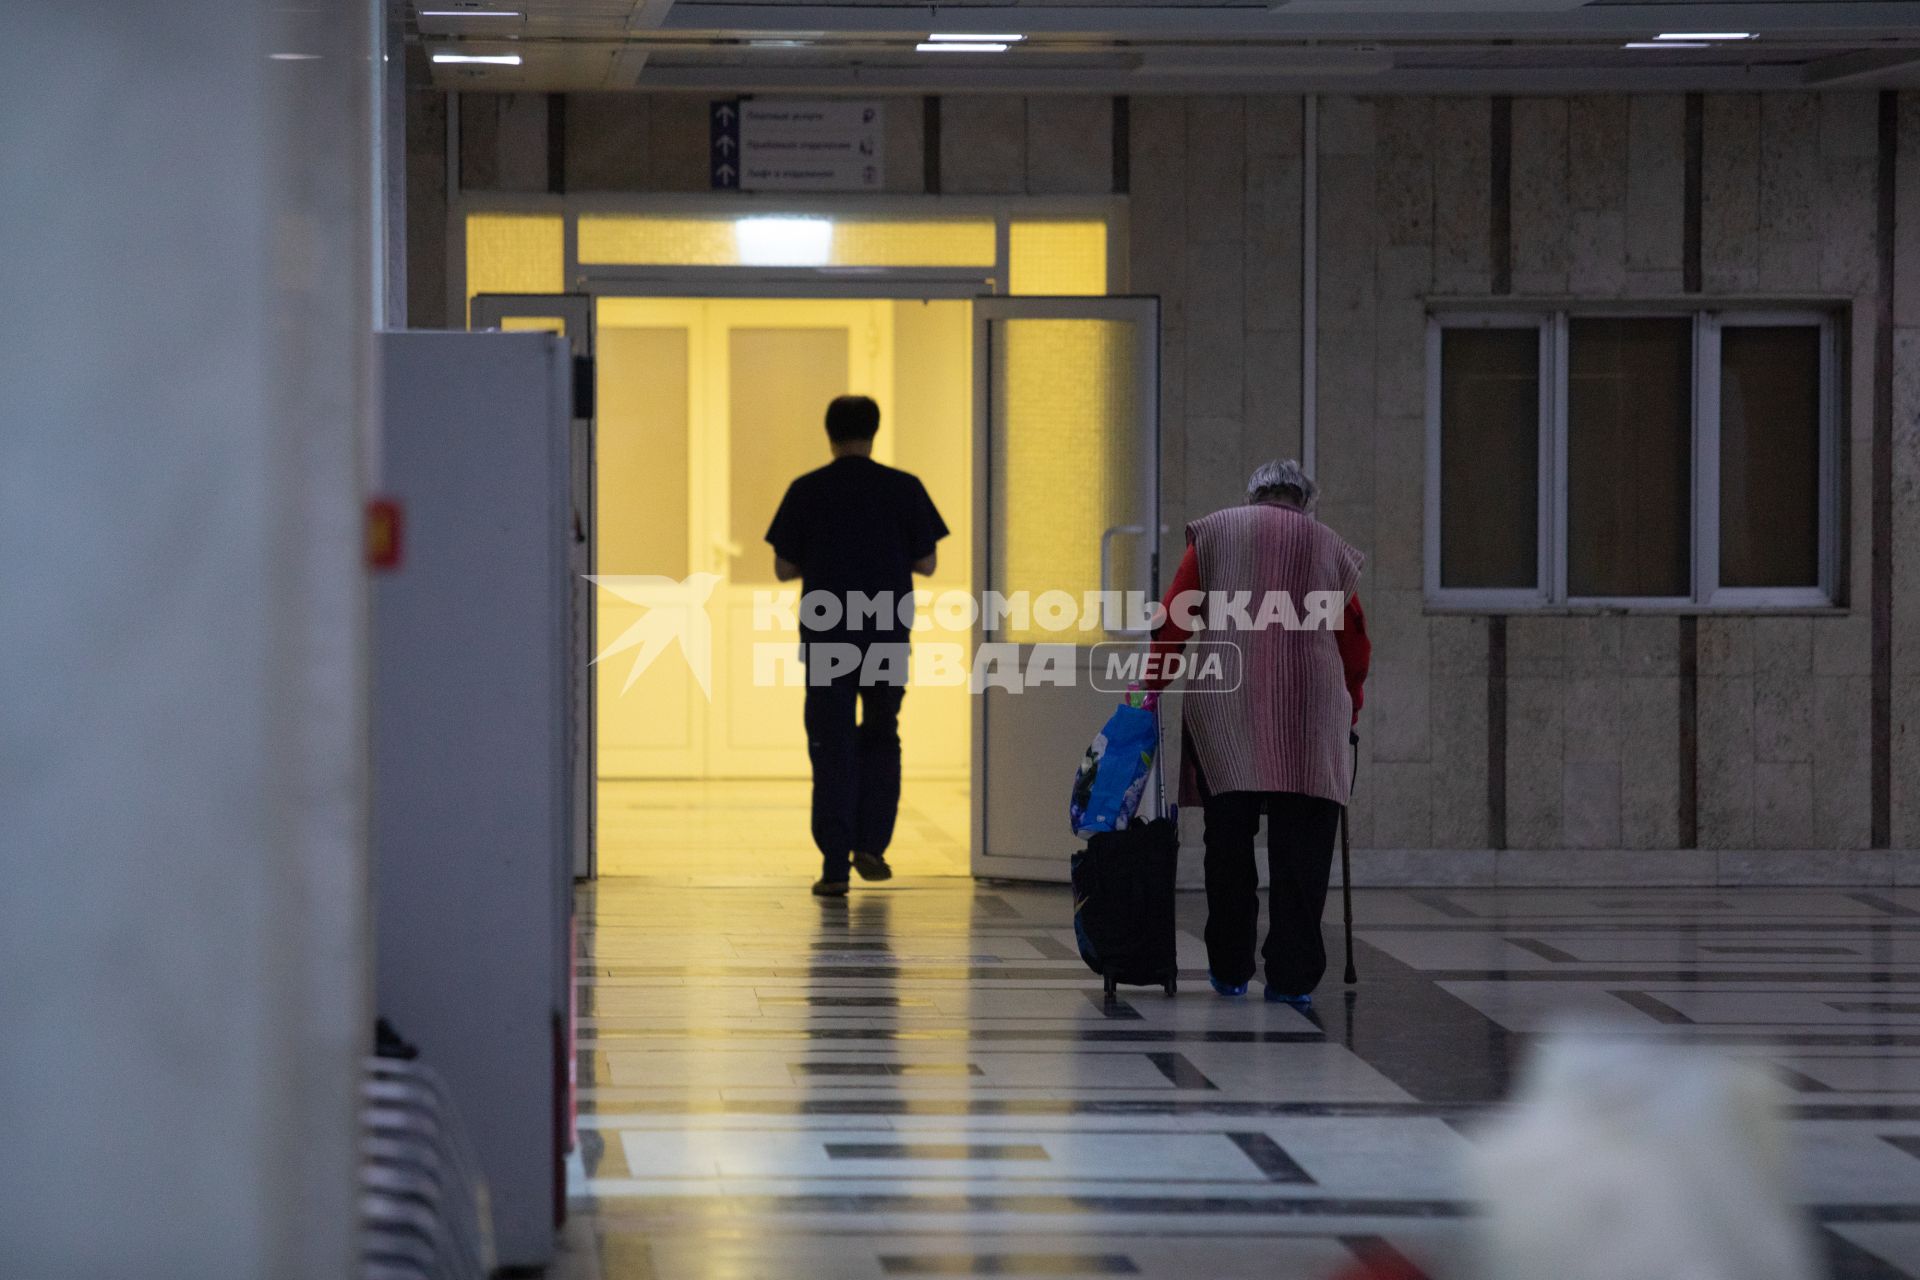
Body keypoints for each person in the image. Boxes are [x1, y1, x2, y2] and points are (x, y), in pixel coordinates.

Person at [1147, 459, 1370, 1009]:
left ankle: (1228, 968)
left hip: (1229, 710)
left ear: (1253, 497)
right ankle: (1292, 978)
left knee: (1228, 844)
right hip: (1310, 714)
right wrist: (1352, 706)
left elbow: (1174, 619)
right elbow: (1355, 641)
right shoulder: (1329, 546)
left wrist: (1149, 689)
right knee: (1303, 851)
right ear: (1305, 501)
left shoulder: (1216, 533)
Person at [766, 395, 948, 898]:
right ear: (875, 430)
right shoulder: (903, 488)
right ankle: (872, 844)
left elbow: (783, 568)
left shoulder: (807, 490)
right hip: (886, 632)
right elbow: (928, 563)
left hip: (827, 638)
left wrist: (825, 558)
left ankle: (833, 865)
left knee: (831, 741)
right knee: (882, 732)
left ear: (828, 432)